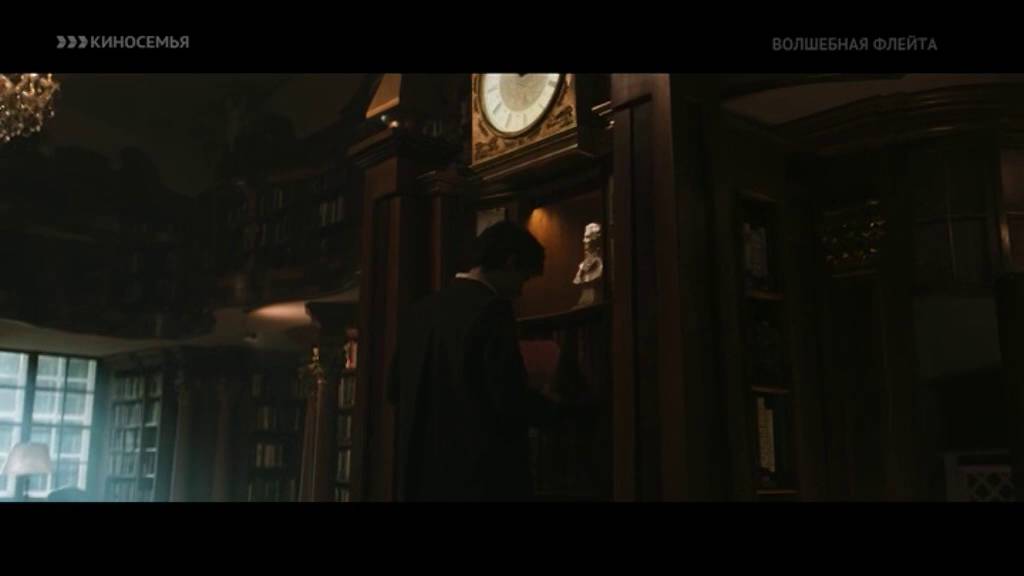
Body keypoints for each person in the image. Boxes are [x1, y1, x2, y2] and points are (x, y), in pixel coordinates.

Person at [387, 220, 565, 501]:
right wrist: (556, 409)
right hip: (477, 478)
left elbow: (394, 389)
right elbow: (507, 397)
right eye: (523, 278)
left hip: (420, 478)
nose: (520, 291)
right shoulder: (492, 311)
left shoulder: (418, 313)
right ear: (510, 262)